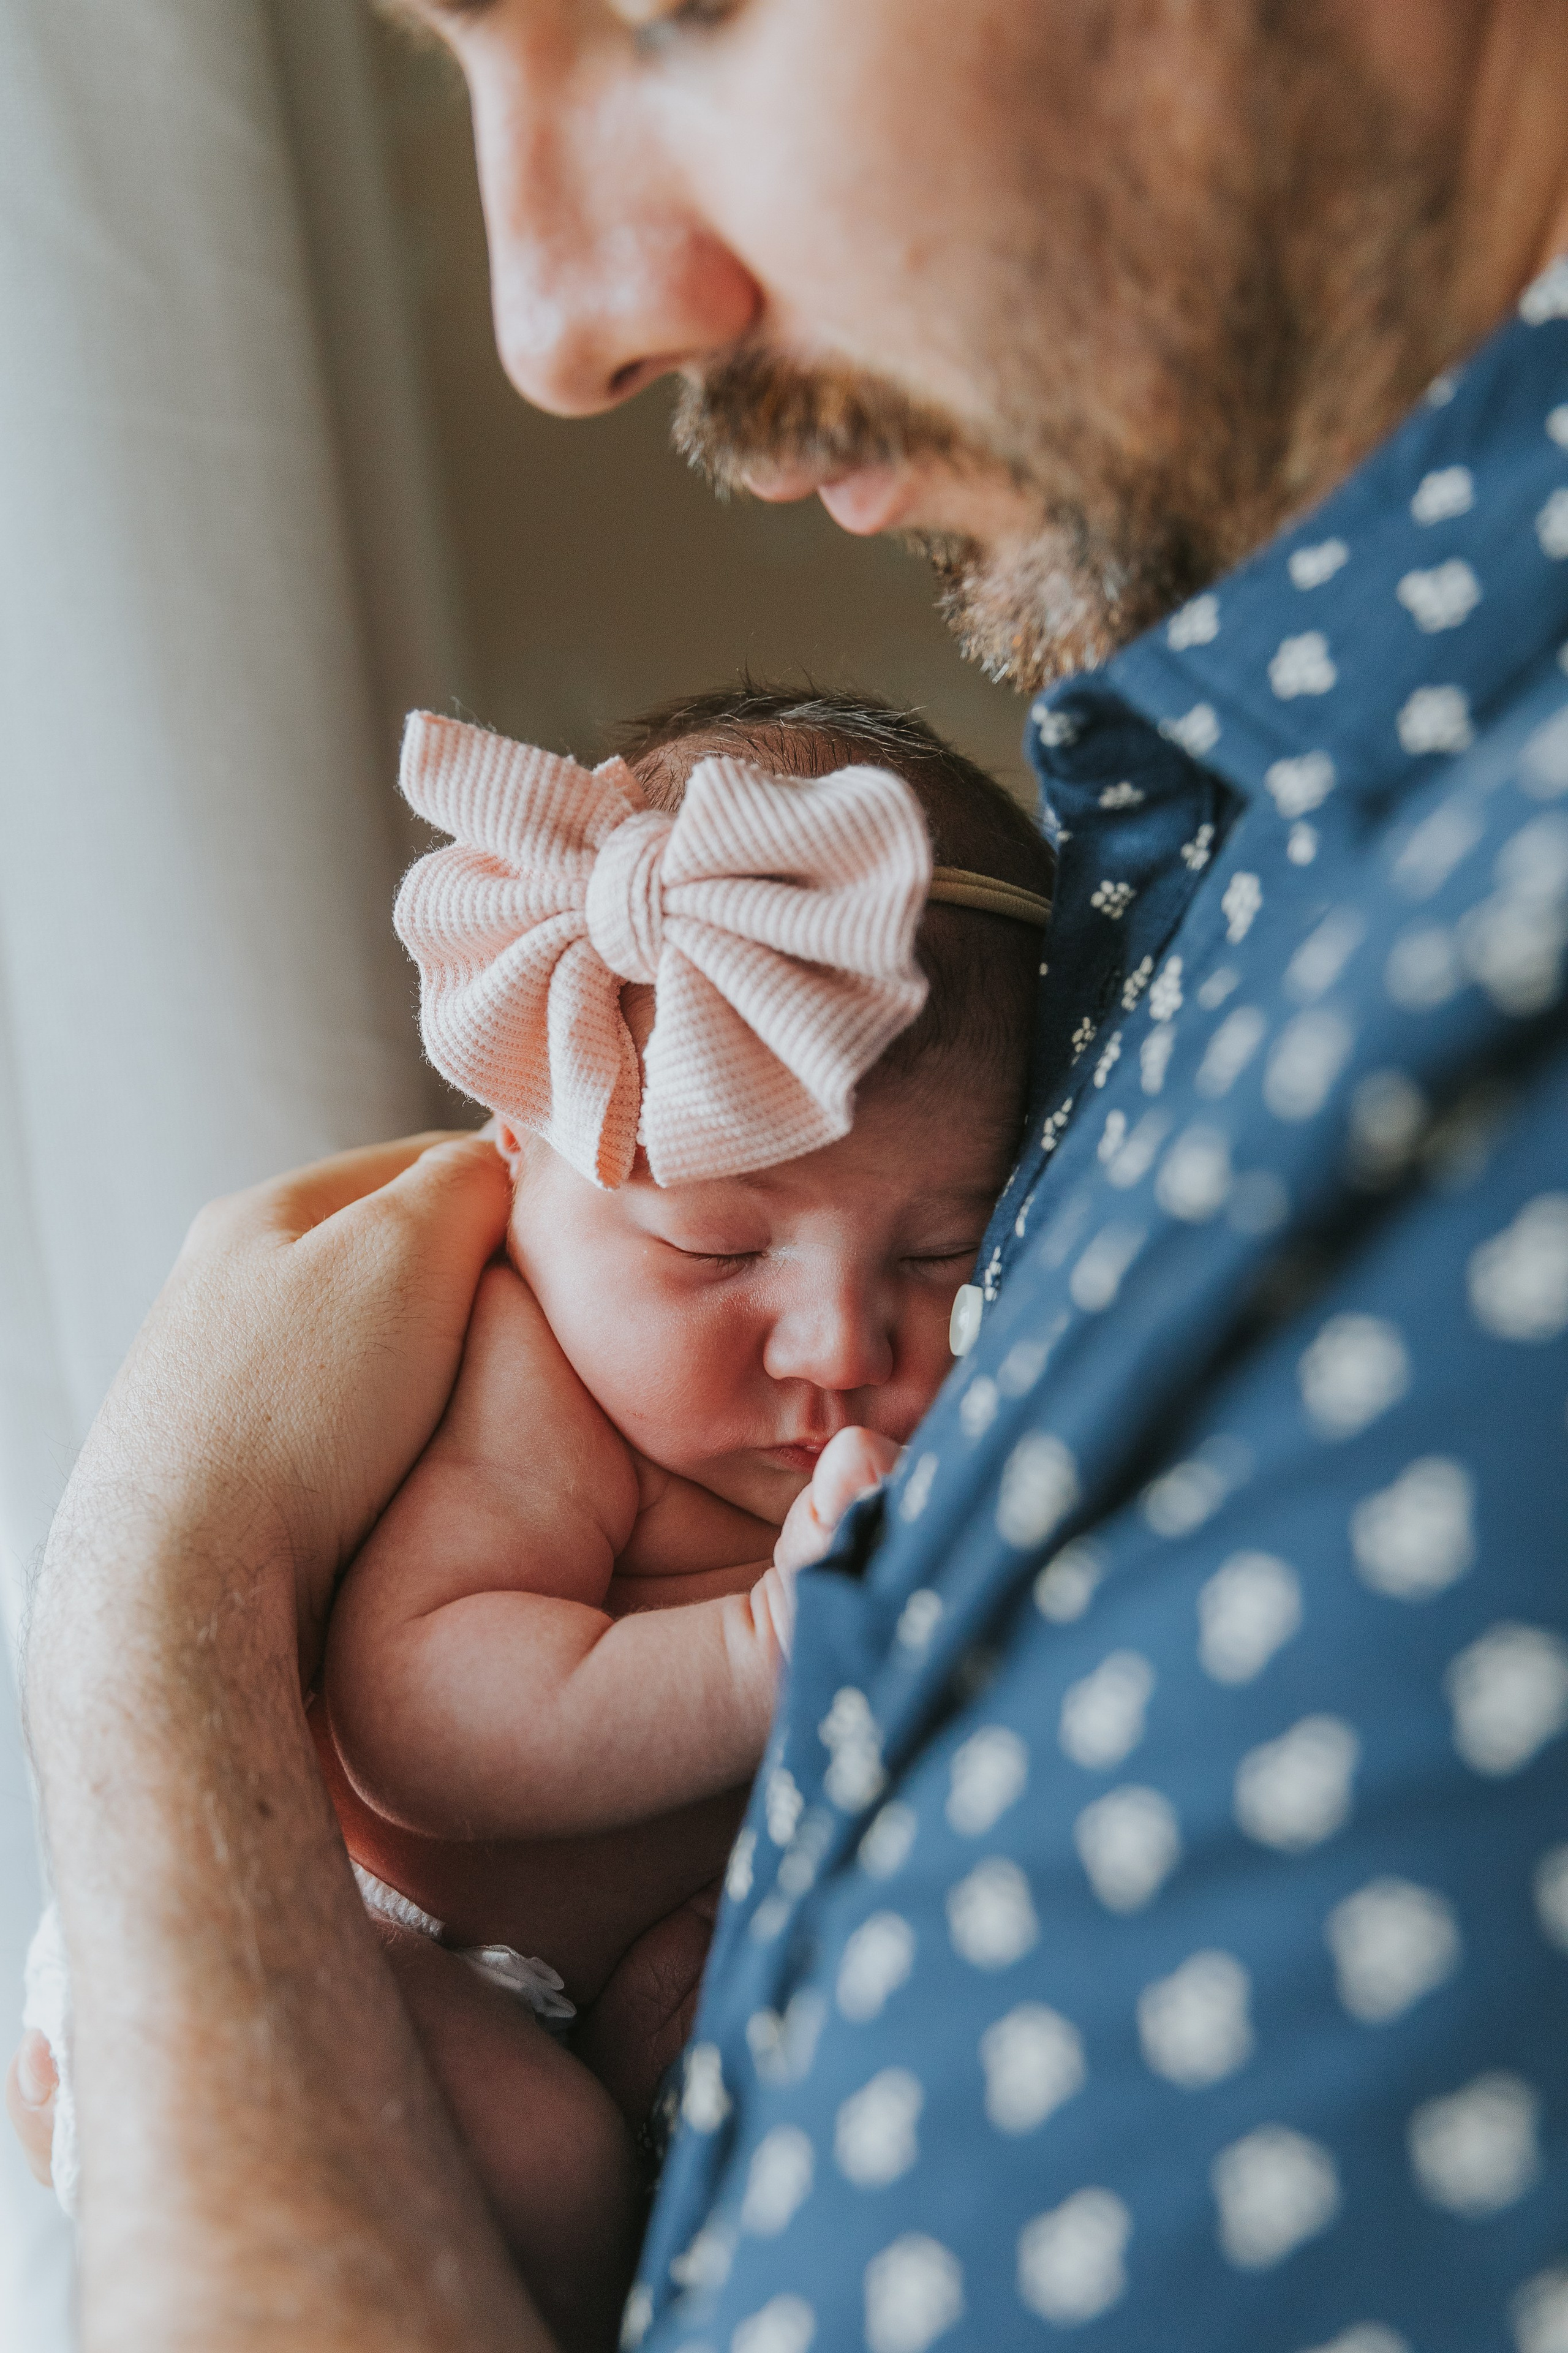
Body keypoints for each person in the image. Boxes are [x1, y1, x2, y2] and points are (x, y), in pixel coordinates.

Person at [10, 2, 1568, 2347]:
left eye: (669, 10)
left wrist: (151, 1622)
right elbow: (438, 1711)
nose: (555, 317)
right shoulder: (1239, 812)